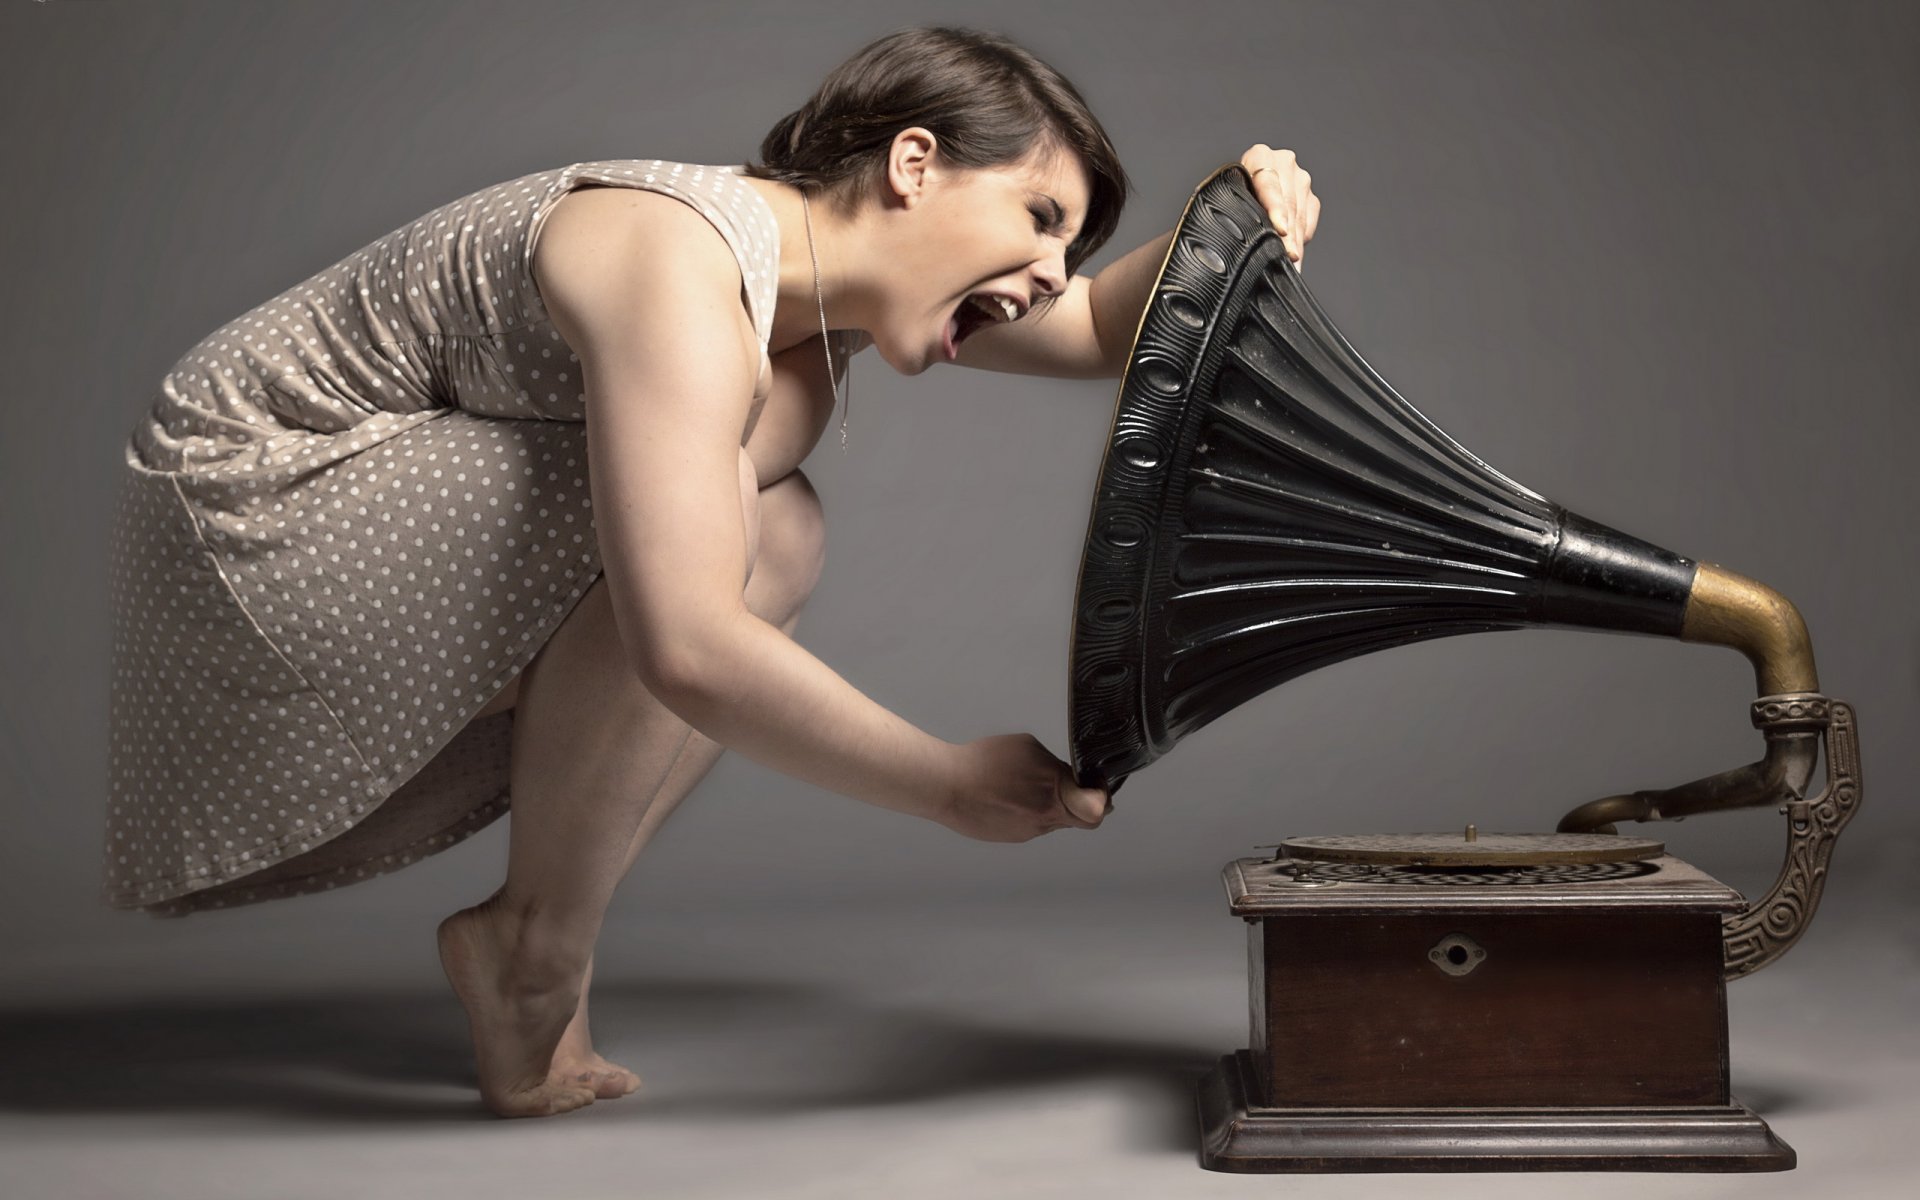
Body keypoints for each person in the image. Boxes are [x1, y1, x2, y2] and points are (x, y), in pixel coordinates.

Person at [104, 25, 1320, 1118]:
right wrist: (947, 785)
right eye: (1042, 218)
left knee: (776, 530)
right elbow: (684, 642)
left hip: (355, 522)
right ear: (913, 165)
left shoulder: (825, 290)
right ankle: (534, 952)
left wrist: (1237, 209)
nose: (1054, 271)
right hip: (264, 505)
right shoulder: (677, 261)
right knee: (720, 539)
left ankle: (530, 941)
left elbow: (1112, 327)